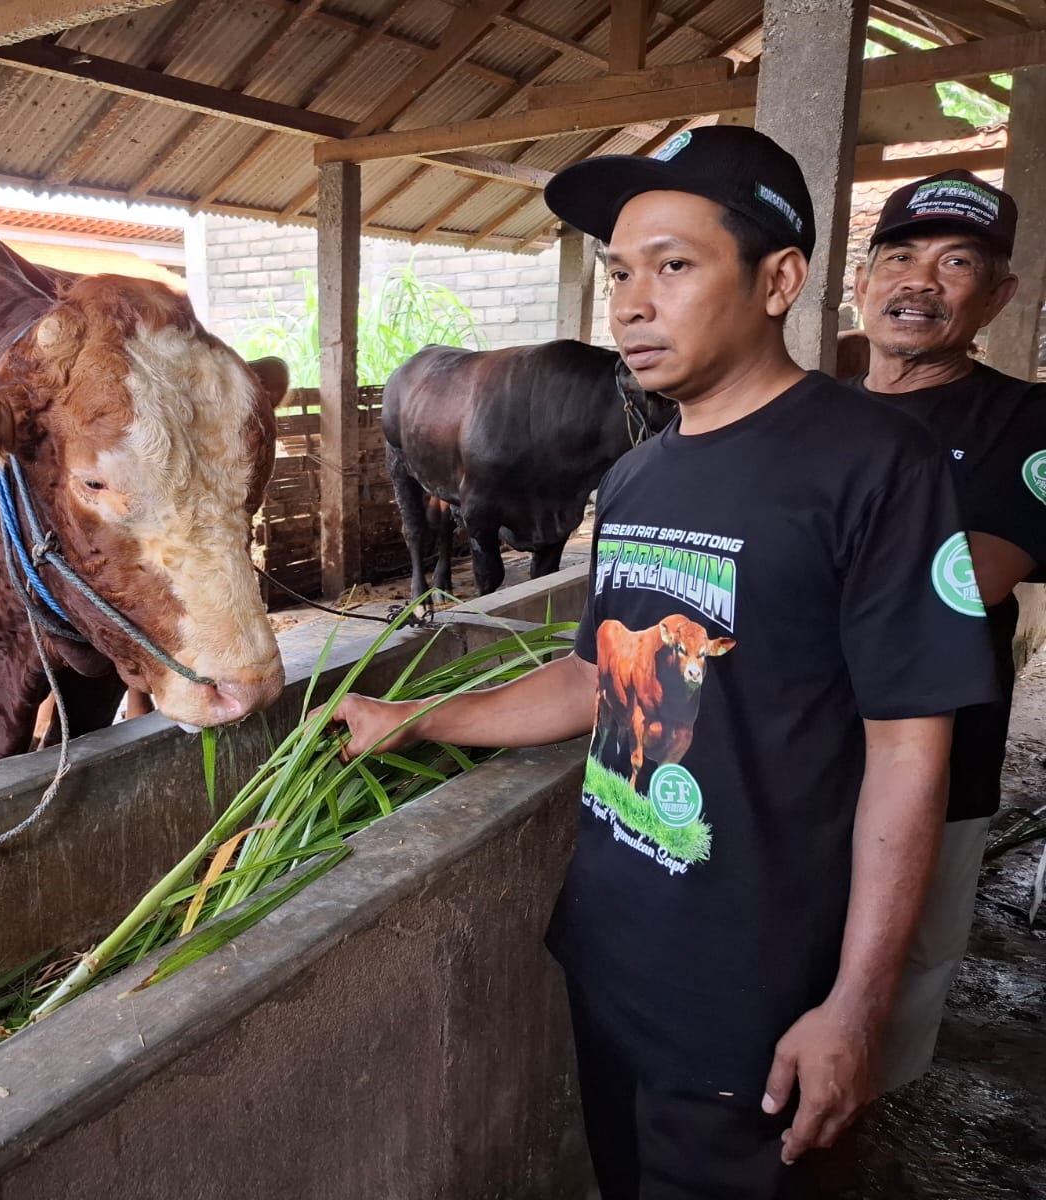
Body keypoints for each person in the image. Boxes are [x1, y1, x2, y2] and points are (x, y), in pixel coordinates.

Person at [321, 126, 996, 1199]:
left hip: (759, 987)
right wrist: (416, 721)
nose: (632, 302)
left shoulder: (875, 465)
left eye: (674, 266)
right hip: (612, 951)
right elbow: (593, 678)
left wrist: (855, 1006)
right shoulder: (635, 480)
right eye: (621, 272)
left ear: (778, 280)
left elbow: (910, 750)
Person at [848, 169, 1046, 1092]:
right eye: (900, 255)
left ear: (998, 296)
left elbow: (968, 581)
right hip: (788, 756)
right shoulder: (807, 410)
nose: (919, 280)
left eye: (956, 261)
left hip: (940, 771)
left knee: (885, 1003)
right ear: (861, 280)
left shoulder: (1027, 420)